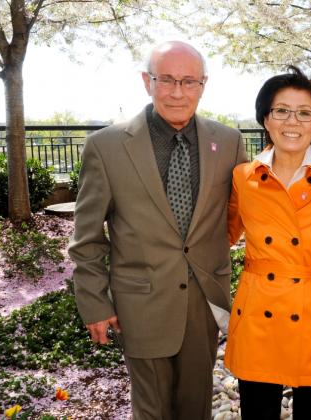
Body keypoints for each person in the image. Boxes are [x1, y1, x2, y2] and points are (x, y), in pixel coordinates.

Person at [68, 41, 247, 419]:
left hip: (204, 303)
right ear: (146, 81)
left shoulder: (229, 142)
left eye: (189, 81)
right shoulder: (106, 146)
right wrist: (95, 302)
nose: (178, 92)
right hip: (140, 304)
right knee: (151, 409)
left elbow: (247, 206)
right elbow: (86, 239)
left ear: (203, 85)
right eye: (166, 79)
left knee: (195, 407)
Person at [224, 66, 311, 420]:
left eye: (305, 113)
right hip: (259, 312)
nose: (293, 121)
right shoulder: (243, 177)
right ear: (265, 119)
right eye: (281, 111)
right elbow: (219, 236)